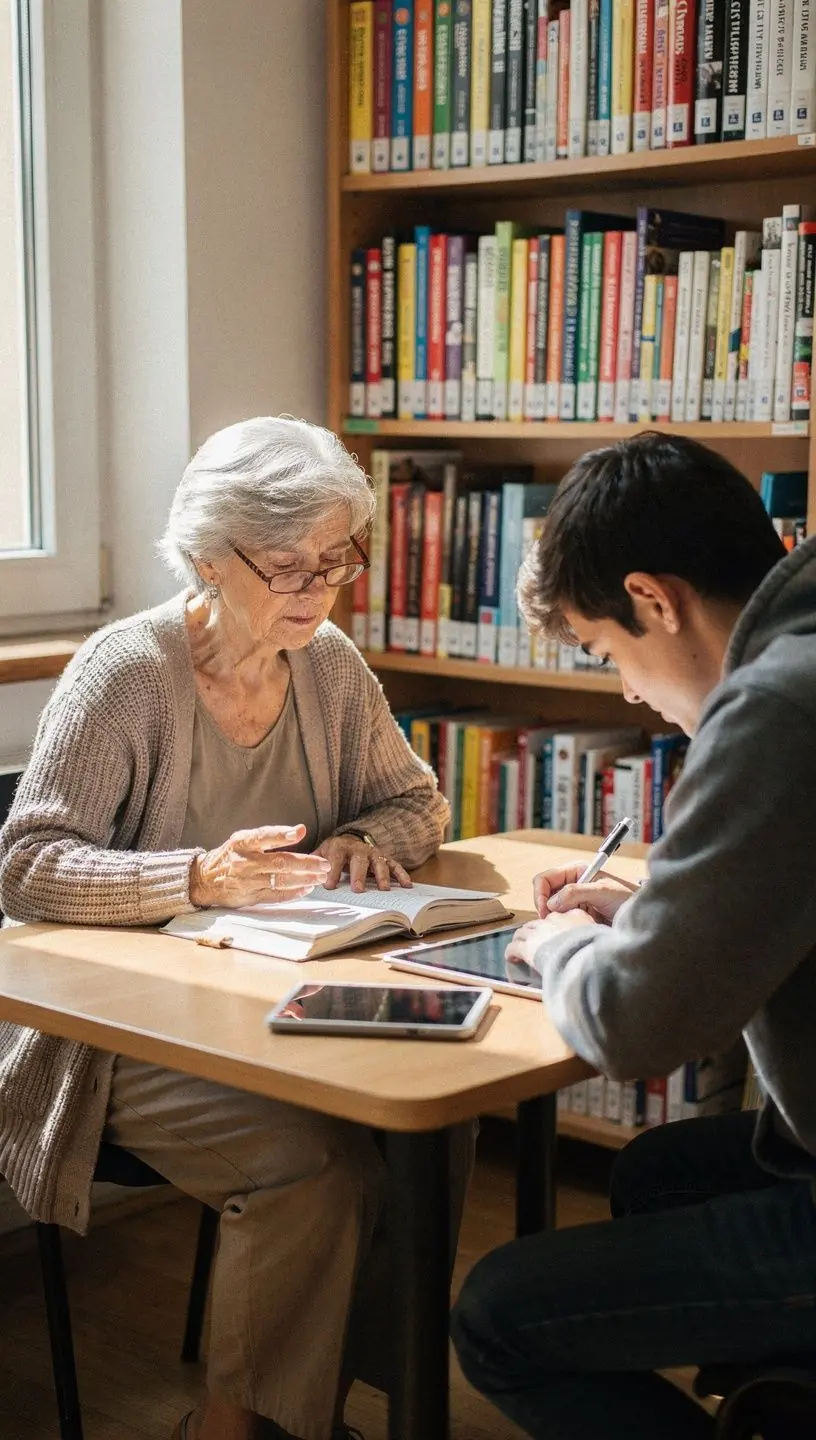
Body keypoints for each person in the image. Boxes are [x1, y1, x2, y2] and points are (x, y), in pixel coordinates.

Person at [0, 416, 459, 1440]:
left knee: (430, 1128)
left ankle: (337, 1400)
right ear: (207, 554)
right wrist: (197, 877)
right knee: (317, 1166)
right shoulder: (126, 672)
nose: (315, 592)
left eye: (336, 563)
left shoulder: (328, 664)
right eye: (289, 566)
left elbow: (418, 803)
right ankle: (231, 1427)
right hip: (120, 1041)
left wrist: (358, 839)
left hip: (276, 1006)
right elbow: (27, 867)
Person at [451, 432, 816, 1440]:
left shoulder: (778, 705)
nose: (625, 692)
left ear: (656, 601)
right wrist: (649, 915)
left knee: (496, 1317)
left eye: (610, 653)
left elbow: (633, 1026)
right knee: (658, 1175)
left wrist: (563, 939)